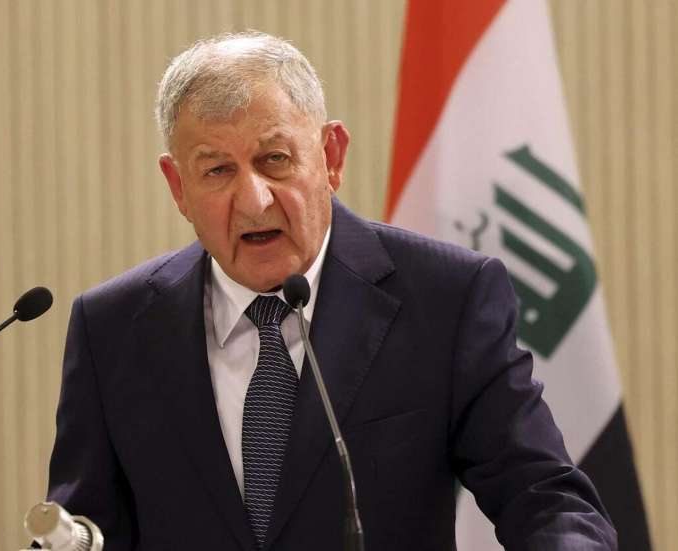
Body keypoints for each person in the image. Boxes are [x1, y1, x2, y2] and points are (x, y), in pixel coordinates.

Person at [46, 32, 616, 550]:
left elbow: (544, 499)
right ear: (178, 186)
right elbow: (84, 528)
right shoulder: (113, 327)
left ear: (331, 156)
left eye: (274, 160)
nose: (255, 201)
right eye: (217, 170)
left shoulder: (446, 298)